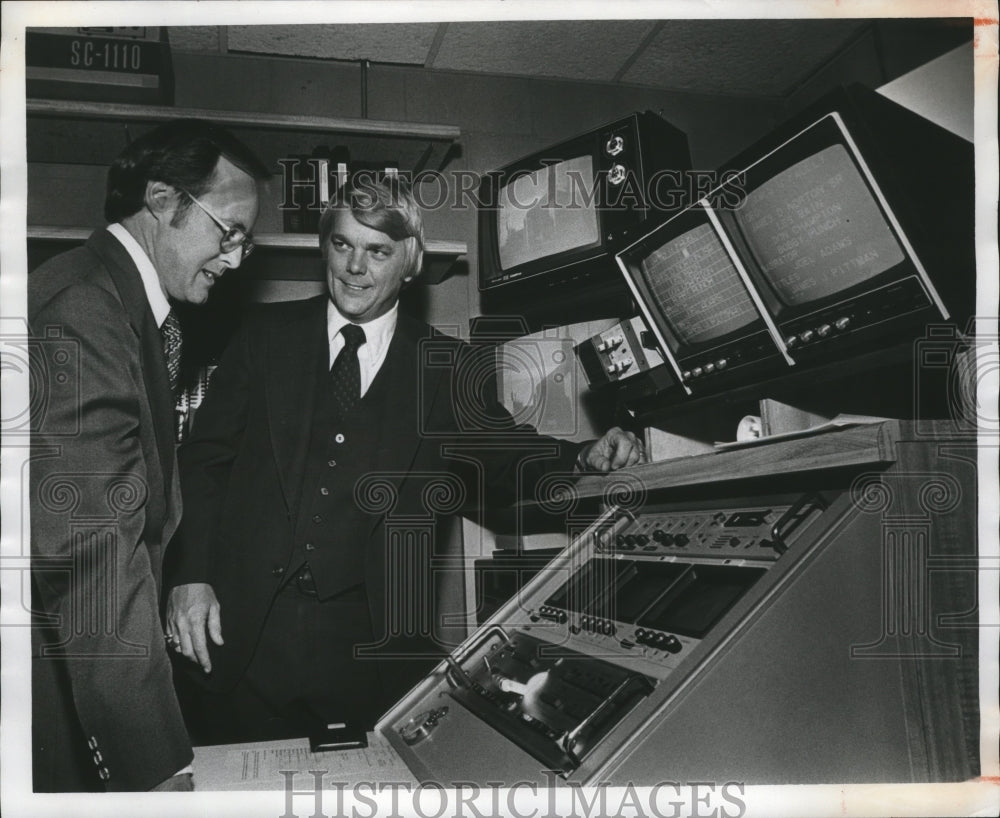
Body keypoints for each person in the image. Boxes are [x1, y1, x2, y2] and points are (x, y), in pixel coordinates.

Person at [166, 176, 643, 743]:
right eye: (342, 245)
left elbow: (506, 452)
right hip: (237, 644)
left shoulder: (447, 366)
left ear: (410, 262)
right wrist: (189, 577)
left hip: (369, 658)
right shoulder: (262, 337)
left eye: (377, 251)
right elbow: (202, 463)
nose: (354, 267)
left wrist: (585, 456)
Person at [29, 118, 270, 791]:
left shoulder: (116, 304)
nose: (236, 259)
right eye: (230, 232)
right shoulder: (84, 307)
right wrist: (152, 761)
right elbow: (91, 554)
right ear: (162, 202)